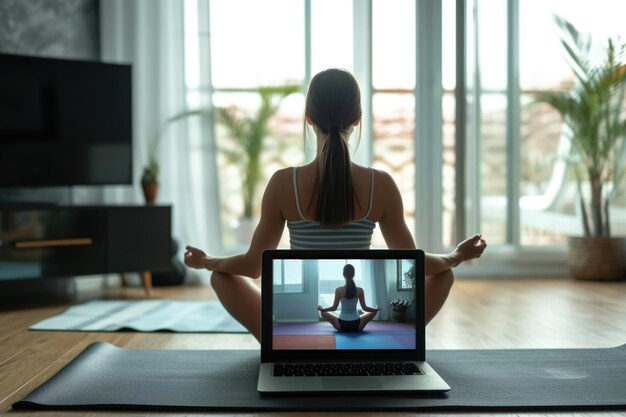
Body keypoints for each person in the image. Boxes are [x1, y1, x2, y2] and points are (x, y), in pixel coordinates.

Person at [184, 68, 487, 342]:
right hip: (368, 331)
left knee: (219, 276)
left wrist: (208, 261)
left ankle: (278, 342)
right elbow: (414, 267)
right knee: (444, 274)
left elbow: (252, 267)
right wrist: (456, 255)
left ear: (309, 118)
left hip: (287, 339)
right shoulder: (380, 185)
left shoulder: (282, 183)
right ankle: (392, 348)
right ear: (357, 119)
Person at [317, 264, 380, 332]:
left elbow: (334, 308)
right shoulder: (360, 290)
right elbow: (364, 308)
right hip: (357, 326)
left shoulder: (338, 290)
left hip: (341, 326)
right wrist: (376, 309)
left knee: (322, 313)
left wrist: (322, 309)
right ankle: (375, 310)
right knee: (374, 312)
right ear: (353, 275)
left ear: (343, 275)